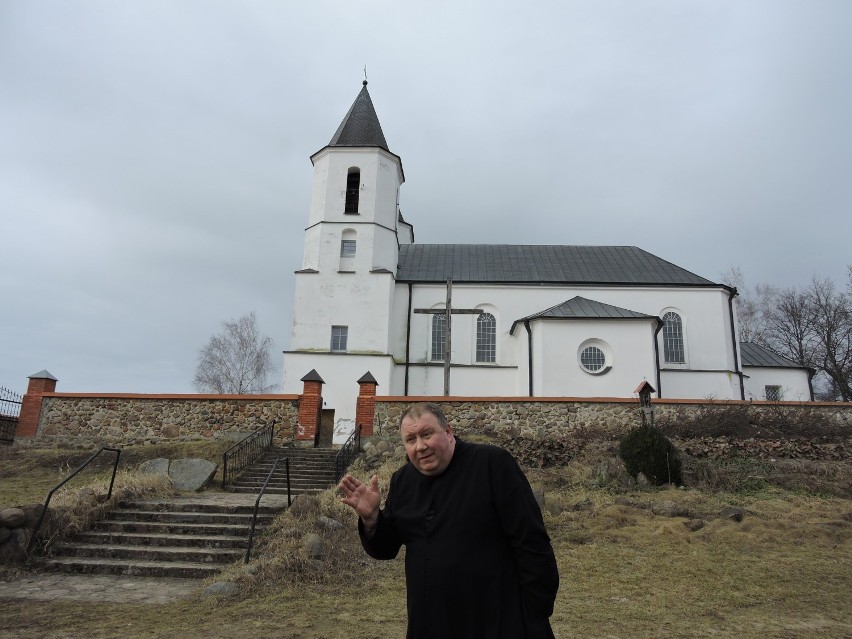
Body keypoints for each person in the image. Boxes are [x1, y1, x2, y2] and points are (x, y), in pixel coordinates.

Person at [338, 402, 559, 639]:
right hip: (431, 622)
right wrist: (372, 518)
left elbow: (532, 543)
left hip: (497, 621)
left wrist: (535, 614)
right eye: (411, 439)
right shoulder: (402, 481)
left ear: (448, 432)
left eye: (427, 434)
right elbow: (387, 547)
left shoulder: (492, 464)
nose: (420, 446)